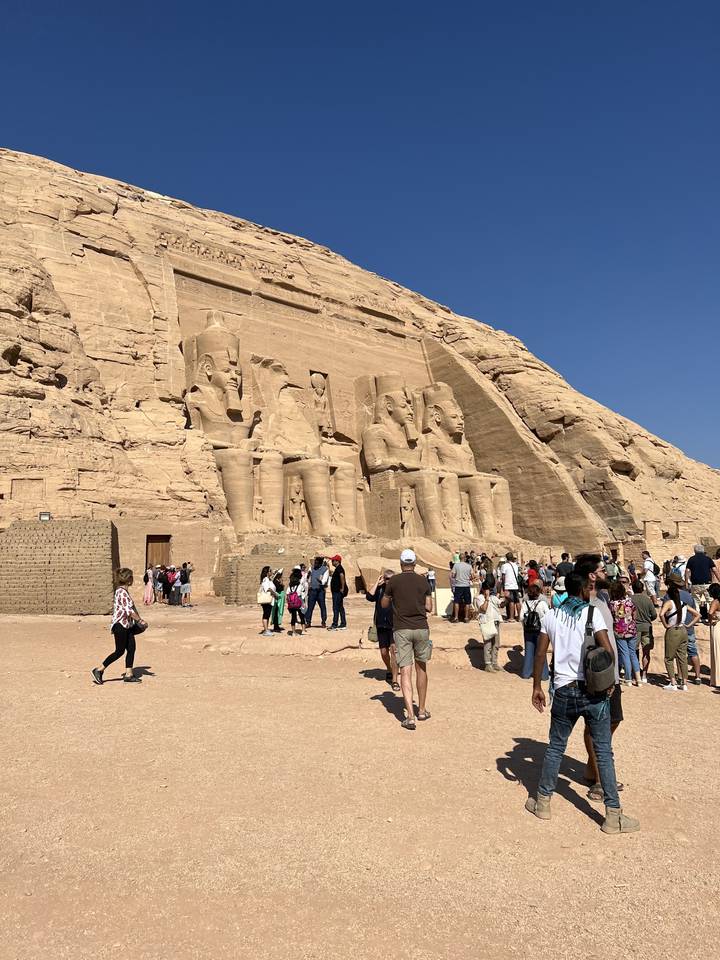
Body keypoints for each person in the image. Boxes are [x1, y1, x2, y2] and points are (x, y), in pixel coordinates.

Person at [524, 570, 639, 834]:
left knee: (556, 747)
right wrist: (609, 683)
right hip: (592, 691)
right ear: (582, 590)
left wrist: (537, 686)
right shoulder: (592, 614)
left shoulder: (551, 616)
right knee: (603, 752)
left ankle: (543, 802)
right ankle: (613, 816)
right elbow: (608, 650)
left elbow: (540, 654)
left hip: (564, 689)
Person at [573, 553, 624, 803]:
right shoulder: (582, 605)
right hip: (597, 674)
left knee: (614, 720)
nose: (608, 573)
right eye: (604, 570)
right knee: (597, 726)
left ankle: (591, 767)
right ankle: (599, 780)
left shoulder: (602, 598)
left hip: (611, 673)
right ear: (592, 576)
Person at [382, 549, 433, 730]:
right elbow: (429, 607)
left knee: (405, 671)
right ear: (415, 563)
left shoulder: (394, 581)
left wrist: (393, 598)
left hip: (402, 628)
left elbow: (384, 604)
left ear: (401, 563)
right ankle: (422, 710)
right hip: (421, 627)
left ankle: (410, 717)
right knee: (421, 668)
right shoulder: (423, 581)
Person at [91, 568, 146, 685]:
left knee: (131, 648)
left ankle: (129, 674)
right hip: (120, 625)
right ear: (129, 579)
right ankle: (99, 670)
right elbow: (129, 611)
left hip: (127, 625)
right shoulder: (122, 592)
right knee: (119, 651)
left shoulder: (122, 591)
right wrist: (140, 621)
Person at [660, 576, 700, 691]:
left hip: (673, 630)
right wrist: (689, 625)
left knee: (669, 658)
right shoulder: (684, 602)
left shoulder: (669, 602)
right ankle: (684, 683)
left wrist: (666, 625)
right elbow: (698, 615)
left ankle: (673, 683)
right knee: (682, 657)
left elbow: (661, 614)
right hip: (684, 630)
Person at [365, 569, 399, 690]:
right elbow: (369, 596)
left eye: (391, 578)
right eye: (386, 578)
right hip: (381, 625)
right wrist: (377, 582)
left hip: (394, 626)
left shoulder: (397, 590)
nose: (389, 581)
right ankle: (389, 669)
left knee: (394, 651)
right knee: (384, 652)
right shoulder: (380, 590)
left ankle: (395, 680)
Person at [608, 580, 640, 686]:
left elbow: (611, 617)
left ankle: (628, 679)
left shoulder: (612, 604)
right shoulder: (629, 601)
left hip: (619, 631)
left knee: (624, 654)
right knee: (633, 653)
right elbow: (635, 615)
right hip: (631, 630)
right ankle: (638, 679)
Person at [519, 581, 549, 679]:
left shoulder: (525, 604)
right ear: (538, 593)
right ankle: (543, 674)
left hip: (528, 631)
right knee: (541, 652)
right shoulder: (542, 603)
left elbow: (521, 618)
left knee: (528, 652)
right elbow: (548, 616)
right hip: (540, 630)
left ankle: (526, 673)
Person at [474, 572, 504, 671]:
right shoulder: (479, 598)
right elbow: (483, 609)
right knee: (488, 644)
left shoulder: (493, 597)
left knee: (496, 644)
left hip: (495, 622)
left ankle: (494, 662)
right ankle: (488, 664)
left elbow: (501, 604)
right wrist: (486, 598)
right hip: (487, 622)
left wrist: (507, 598)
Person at [630, 580, 657, 682]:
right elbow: (654, 615)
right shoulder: (647, 600)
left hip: (634, 628)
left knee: (634, 651)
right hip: (646, 627)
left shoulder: (630, 599)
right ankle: (644, 675)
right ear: (642, 589)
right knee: (646, 652)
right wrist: (648, 620)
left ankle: (635, 673)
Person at [685, 544, 714, 620]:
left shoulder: (691, 559)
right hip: (707, 583)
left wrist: (686, 582)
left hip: (695, 584)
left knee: (696, 601)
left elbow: (687, 571)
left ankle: (696, 618)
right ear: (703, 550)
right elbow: (714, 570)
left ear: (695, 551)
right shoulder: (708, 559)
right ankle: (710, 617)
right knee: (709, 600)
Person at [306, 557, 329, 629]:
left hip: (320, 591)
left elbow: (324, 580)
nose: (315, 564)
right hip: (312, 590)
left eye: (316, 563)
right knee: (310, 607)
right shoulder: (311, 569)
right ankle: (308, 622)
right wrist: (308, 577)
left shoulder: (325, 570)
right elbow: (308, 579)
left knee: (322, 606)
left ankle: (323, 622)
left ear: (320, 564)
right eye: (314, 562)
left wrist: (320, 581)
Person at [451, 554, 474, 623]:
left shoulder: (456, 565)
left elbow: (453, 575)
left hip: (458, 586)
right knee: (467, 602)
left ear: (459, 558)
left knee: (456, 601)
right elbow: (472, 576)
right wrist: (468, 578)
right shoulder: (469, 566)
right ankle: (466, 618)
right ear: (465, 558)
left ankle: (456, 617)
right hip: (466, 586)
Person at [500, 552, 522, 622]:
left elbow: (503, 577)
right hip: (515, 585)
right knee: (517, 601)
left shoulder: (504, 566)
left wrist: (503, 586)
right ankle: (519, 616)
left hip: (508, 585)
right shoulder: (515, 565)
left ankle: (511, 617)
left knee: (511, 601)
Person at [286, 566, 307, 636]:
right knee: (302, 616)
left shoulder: (289, 587)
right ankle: (303, 630)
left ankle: (293, 632)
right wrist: (303, 603)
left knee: (293, 617)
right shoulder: (300, 586)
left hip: (292, 603)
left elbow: (287, 594)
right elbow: (302, 595)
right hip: (299, 602)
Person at [328, 555, 347, 630]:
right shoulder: (338, 568)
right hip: (336, 592)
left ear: (337, 561)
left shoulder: (339, 568)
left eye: (333, 561)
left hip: (337, 592)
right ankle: (343, 623)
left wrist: (342, 588)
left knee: (336, 608)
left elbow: (342, 576)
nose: (332, 562)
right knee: (340, 607)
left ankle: (335, 624)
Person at [257, 565, 277, 636]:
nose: (271, 572)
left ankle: (266, 629)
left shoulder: (269, 579)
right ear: (267, 572)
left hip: (270, 599)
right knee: (266, 615)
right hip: (266, 600)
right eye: (270, 571)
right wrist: (275, 594)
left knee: (267, 615)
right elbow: (267, 589)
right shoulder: (265, 580)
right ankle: (265, 630)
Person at [709, 583, 720, 687]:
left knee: (717, 651)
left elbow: (710, 613)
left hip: (717, 627)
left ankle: (717, 679)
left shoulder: (715, 602)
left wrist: (713, 618)